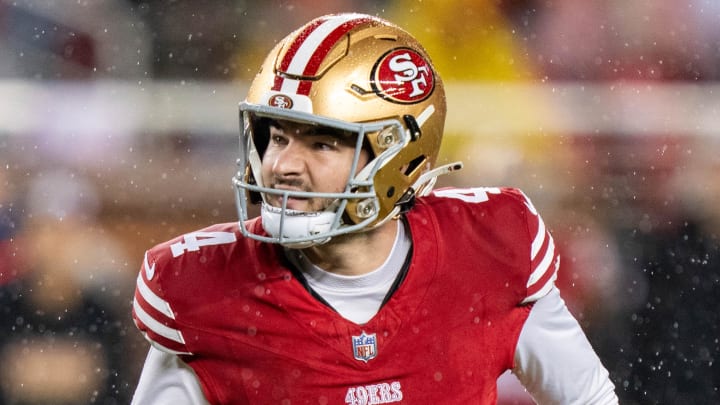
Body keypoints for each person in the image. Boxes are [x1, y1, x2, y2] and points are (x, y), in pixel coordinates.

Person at [131, 13, 618, 404]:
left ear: (398, 159)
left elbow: (589, 397)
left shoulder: (488, 251)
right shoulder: (206, 290)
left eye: (321, 144)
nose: (282, 165)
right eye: (277, 136)